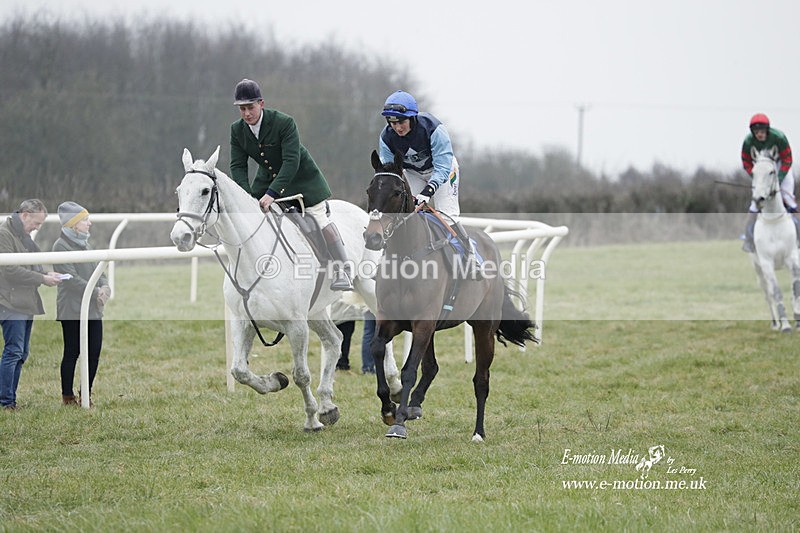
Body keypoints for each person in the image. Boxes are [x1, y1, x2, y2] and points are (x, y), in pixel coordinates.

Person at [230, 78, 353, 291]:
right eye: (242, 109)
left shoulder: (284, 122)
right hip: (267, 179)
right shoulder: (237, 130)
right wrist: (247, 196)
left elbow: (291, 162)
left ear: (261, 103)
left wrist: (271, 193)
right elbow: (238, 166)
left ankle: (343, 270)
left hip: (303, 180)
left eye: (250, 107)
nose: (247, 113)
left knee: (318, 218)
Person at [378, 90, 477, 272]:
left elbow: (442, 167)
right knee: (406, 214)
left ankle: (470, 257)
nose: (397, 128)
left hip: (443, 170)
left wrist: (428, 191)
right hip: (414, 173)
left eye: (401, 122)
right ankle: (386, 260)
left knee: (446, 215)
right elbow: (389, 171)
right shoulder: (386, 137)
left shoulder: (433, 129)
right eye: (392, 123)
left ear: (412, 118)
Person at [0, 199, 62, 410]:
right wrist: (42, 279)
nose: (37, 227)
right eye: (36, 222)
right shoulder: (4, 234)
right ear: (25, 215)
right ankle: (6, 402)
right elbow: (11, 270)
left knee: (21, 353)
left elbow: (34, 264)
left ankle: (9, 398)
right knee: (14, 351)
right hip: (9, 301)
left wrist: (46, 273)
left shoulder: (23, 235)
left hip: (24, 301)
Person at [52, 202, 110, 406]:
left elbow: (99, 272)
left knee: (94, 352)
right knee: (72, 352)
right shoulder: (60, 246)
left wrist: (105, 288)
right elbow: (70, 279)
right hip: (71, 309)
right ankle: (67, 396)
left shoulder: (86, 243)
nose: (89, 223)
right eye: (85, 220)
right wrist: (96, 292)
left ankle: (86, 393)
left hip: (92, 308)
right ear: (74, 224)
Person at [740, 113, 797, 252]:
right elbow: (746, 161)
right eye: (756, 132)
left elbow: (788, 159)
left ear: (767, 130)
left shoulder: (779, 137)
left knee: (789, 200)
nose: (759, 134)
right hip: (762, 171)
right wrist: (756, 177)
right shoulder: (748, 142)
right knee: (755, 204)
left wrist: (780, 177)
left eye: (762, 131)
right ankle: (748, 238)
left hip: (780, 167)